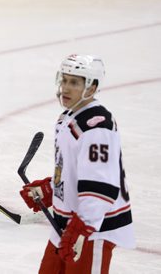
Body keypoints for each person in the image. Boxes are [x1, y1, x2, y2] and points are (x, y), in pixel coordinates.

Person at [20, 54, 135, 273]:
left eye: (74, 82)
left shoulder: (97, 126)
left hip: (93, 229)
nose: (65, 87)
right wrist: (49, 189)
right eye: (64, 80)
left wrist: (83, 228)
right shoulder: (67, 118)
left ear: (91, 87)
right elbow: (71, 173)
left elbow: (101, 185)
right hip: (69, 222)